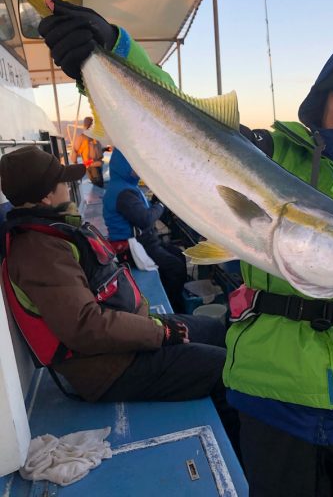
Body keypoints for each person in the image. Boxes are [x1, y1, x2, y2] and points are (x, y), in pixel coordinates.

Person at [37, 0, 333, 495]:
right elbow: (177, 116)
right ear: (323, 97)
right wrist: (110, 51)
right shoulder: (269, 151)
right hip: (270, 385)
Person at [0, 146, 239, 453]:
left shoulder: (50, 235)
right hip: (108, 369)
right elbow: (86, 326)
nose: (67, 186)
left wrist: (154, 329)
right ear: (47, 195)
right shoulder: (39, 251)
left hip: (126, 339)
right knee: (225, 368)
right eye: (61, 181)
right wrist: (161, 333)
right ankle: (243, 457)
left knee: (213, 331)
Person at [103, 147, 187, 312]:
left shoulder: (123, 186)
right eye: (135, 165)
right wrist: (162, 204)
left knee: (178, 255)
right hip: (134, 246)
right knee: (175, 267)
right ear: (124, 166)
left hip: (144, 241)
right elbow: (145, 219)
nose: (139, 170)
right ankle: (176, 307)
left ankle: (176, 295)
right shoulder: (124, 193)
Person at [71, 116, 104, 187]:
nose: (93, 126)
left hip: (97, 164)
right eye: (92, 124)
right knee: (98, 184)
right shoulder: (82, 137)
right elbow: (75, 150)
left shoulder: (94, 136)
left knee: (99, 185)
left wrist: (105, 149)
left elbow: (96, 151)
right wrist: (75, 163)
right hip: (91, 166)